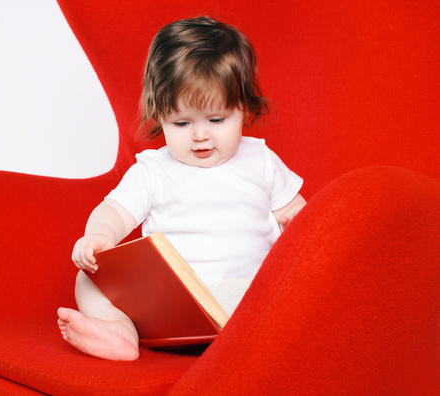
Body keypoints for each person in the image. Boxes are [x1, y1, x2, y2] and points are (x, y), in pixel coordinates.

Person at [57, 16, 306, 361]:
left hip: (244, 300)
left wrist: (296, 222)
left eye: (216, 120)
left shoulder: (260, 159)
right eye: (182, 122)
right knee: (88, 278)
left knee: (288, 286)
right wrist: (98, 237)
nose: (200, 135)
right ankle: (120, 331)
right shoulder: (154, 170)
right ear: (159, 116)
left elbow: (300, 215)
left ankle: (247, 340)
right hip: (170, 309)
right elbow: (113, 211)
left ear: (244, 109)